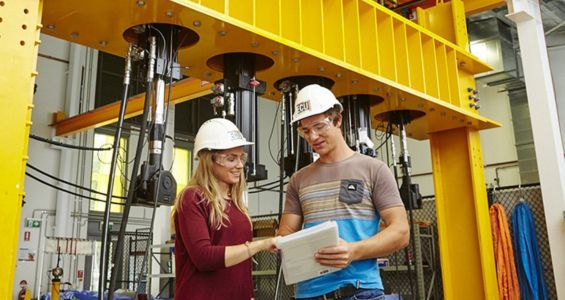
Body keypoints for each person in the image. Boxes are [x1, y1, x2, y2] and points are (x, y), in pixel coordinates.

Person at [279, 84, 410, 300]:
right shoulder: (298, 180)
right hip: (309, 293)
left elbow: (401, 232)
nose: (313, 137)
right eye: (305, 131)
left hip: (360, 290)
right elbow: (286, 233)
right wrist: (281, 244)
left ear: (338, 120)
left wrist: (353, 251)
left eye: (319, 126)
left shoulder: (374, 170)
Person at [173, 118, 277, 299]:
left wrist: (248, 294)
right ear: (209, 160)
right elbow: (203, 257)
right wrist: (259, 245)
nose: (240, 165)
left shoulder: (237, 205)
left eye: (241, 158)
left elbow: (240, 266)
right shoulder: (193, 198)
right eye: (231, 159)